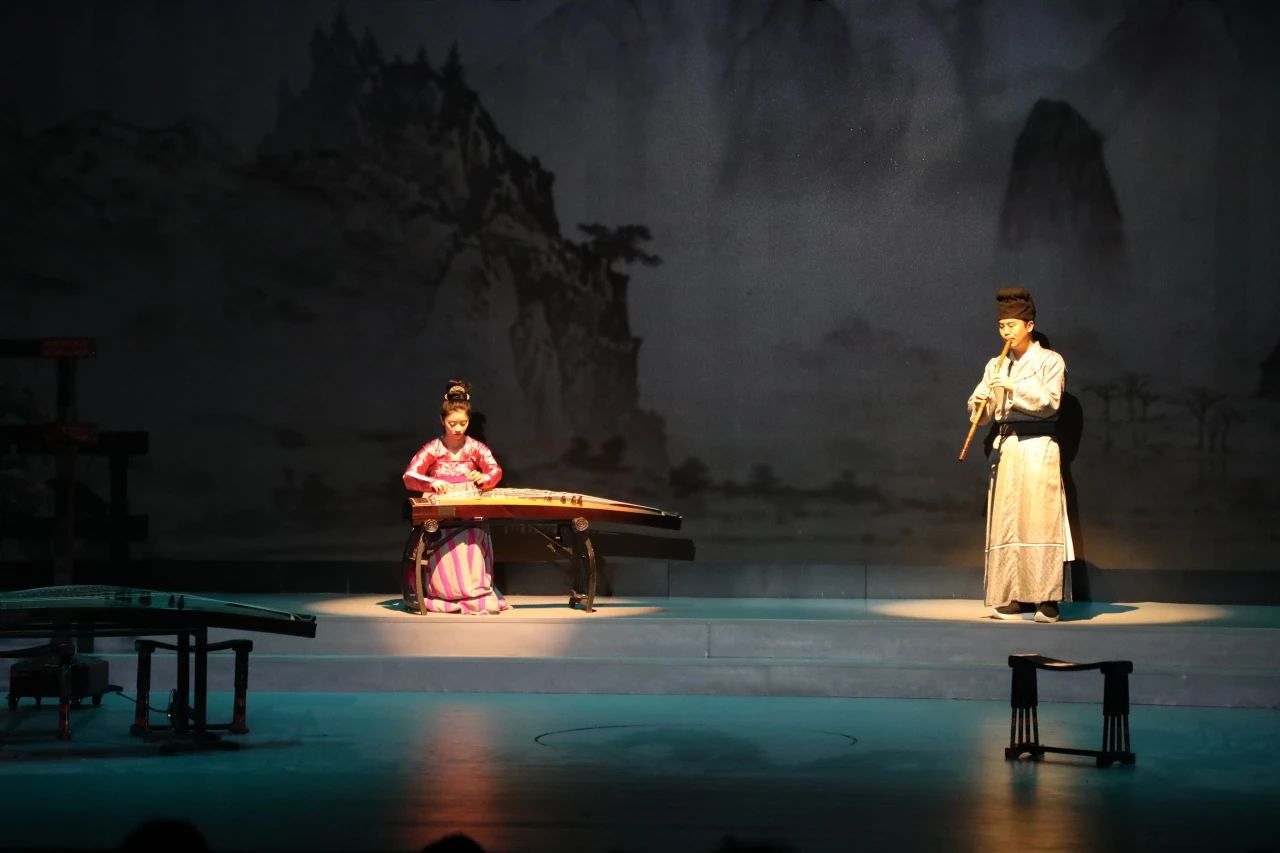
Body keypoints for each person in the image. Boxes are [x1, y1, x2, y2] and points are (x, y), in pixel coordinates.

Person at [966, 288, 1074, 623]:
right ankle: (1011, 595)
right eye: (1001, 326)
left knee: (1040, 520)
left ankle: (1047, 599)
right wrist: (980, 403)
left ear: (1029, 325)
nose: (1006, 332)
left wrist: (1013, 387)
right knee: (1008, 521)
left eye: (1011, 325)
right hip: (1007, 448)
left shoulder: (1050, 361)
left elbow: (1050, 403)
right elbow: (983, 414)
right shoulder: (995, 365)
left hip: (1039, 446)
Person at [402, 380, 509, 614]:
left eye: (463, 423)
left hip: (468, 504)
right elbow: (409, 475)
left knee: (471, 540)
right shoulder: (433, 448)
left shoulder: (475, 448)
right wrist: (432, 482)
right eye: (452, 423)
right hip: (441, 504)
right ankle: (442, 593)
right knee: (441, 543)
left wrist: (482, 477)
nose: (458, 428)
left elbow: (495, 470)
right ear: (442, 420)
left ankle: (473, 592)